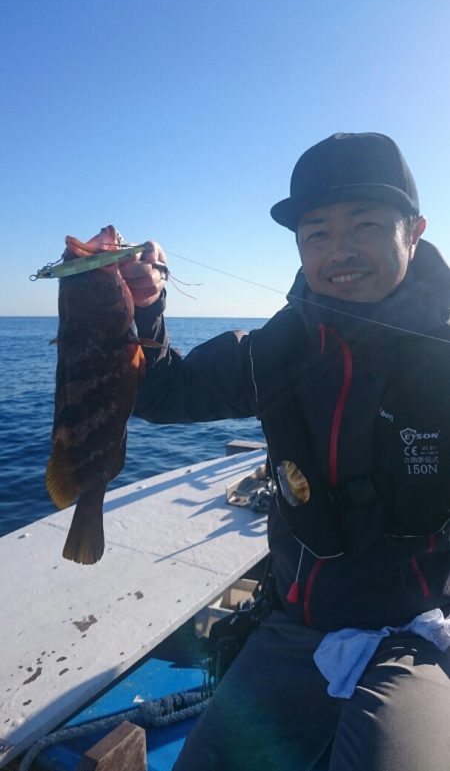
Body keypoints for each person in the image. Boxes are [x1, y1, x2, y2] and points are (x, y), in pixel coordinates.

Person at [122, 133, 450, 771]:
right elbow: (160, 395)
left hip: (416, 634)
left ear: (414, 230)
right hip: (295, 627)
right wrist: (144, 308)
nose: (340, 251)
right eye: (317, 233)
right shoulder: (273, 352)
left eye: (365, 225)